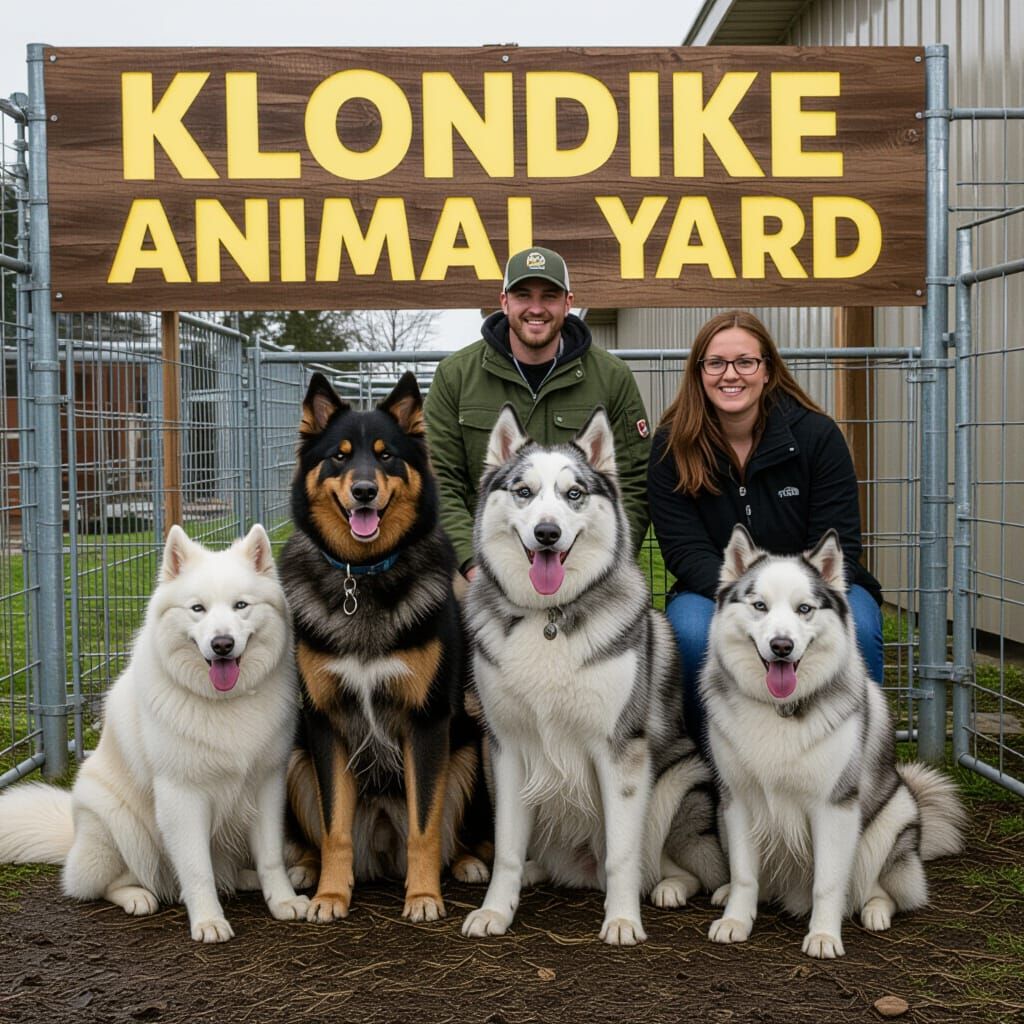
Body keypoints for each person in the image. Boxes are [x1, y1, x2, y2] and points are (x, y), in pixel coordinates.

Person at [647, 310, 884, 740]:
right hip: (717, 589)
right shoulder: (671, 445)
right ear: (699, 372)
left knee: (860, 629)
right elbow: (683, 548)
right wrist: (747, 598)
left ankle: (851, 764)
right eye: (715, 363)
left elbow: (840, 538)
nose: (730, 375)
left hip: (814, 590)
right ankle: (713, 771)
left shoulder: (817, 436)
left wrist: (795, 598)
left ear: (768, 369)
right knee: (691, 633)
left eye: (745, 362)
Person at [424, 246, 652, 580]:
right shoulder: (455, 376)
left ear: (568, 303)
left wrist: (603, 561)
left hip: (582, 561)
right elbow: (440, 480)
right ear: (504, 302)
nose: (536, 308)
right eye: (522, 295)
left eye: (549, 296)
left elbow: (634, 481)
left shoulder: (612, 376)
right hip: (487, 563)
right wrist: (473, 563)